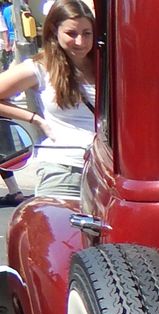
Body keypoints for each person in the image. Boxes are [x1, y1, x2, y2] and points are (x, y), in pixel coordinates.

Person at [0, 0, 94, 200]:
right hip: (63, 171)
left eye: (87, 33)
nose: (80, 42)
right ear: (54, 31)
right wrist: (35, 119)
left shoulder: (108, 65)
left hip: (108, 175)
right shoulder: (40, 68)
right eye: (71, 33)